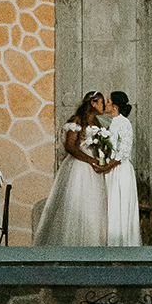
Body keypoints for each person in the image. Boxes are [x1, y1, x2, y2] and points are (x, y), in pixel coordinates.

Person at [33, 91, 111, 245]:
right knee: (78, 201)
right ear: (93, 103)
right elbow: (70, 146)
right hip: (80, 166)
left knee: (93, 203)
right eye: (101, 102)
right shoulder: (76, 121)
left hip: (93, 165)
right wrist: (90, 160)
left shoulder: (97, 122)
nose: (103, 105)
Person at [104, 90, 141, 246]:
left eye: (108, 101)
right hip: (112, 169)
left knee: (121, 205)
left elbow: (125, 148)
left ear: (115, 106)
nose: (105, 104)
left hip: (120, 168)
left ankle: (124, 244)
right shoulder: (113, 122)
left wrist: (110, 164)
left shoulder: (124, 122)